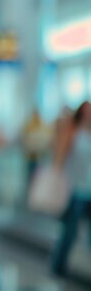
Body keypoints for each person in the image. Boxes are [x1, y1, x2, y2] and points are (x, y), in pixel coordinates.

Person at [51, 101, 91, 277]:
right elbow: (59, 156)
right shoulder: (73, 132)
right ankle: (58, 267)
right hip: (74, 190)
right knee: (69, 232)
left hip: (89, 190)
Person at [21, 109, 52, 196]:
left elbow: (46, 141)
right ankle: (30, 194)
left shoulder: (44, 127)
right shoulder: (28, 126)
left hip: (40, 158)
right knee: (29, 178)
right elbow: (24, 140)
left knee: (38, 179)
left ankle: (35, 195)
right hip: (30, 157)